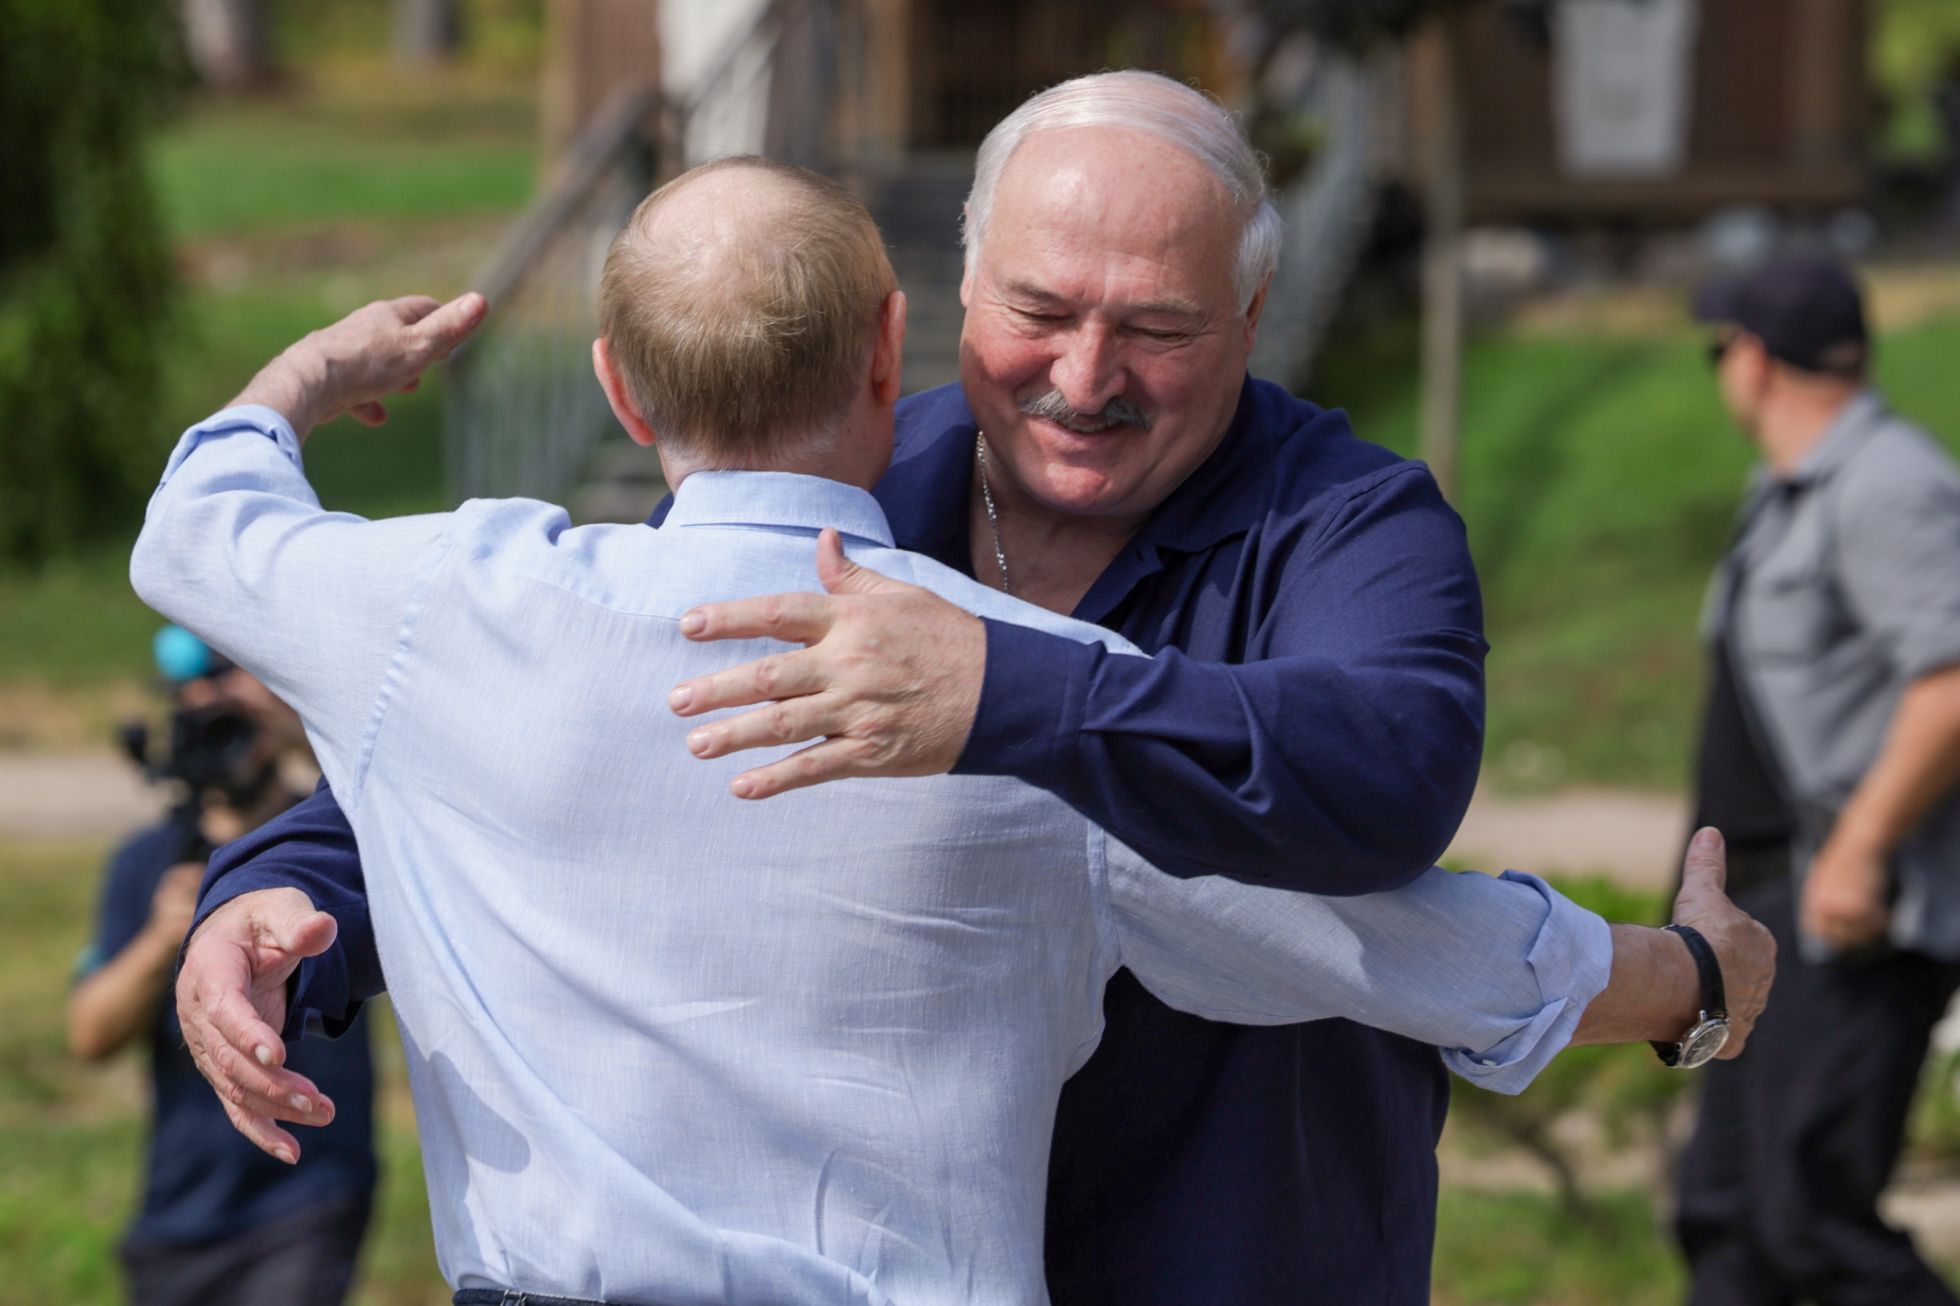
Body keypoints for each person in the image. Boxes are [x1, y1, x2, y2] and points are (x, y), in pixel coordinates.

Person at [177, 73, 1766, 1302]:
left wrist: (1016, 697)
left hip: (1232, 1256)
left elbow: (1382, 796)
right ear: (936, 307)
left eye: (1156, 327)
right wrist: (275, 893)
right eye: (1038, 313)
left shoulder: (1351, 521)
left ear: (1253, 317)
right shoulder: (847, 484)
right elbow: (587, 736)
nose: (1084, 376)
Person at [1675, 252, 1960, 1305]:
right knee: (1726, 1219)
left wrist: (1861, 847)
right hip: (1756, 912)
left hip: (1845, 914)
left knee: (1809, 1222)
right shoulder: (1788, 490)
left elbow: (1950, 678)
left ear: (1752, 361)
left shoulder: (1888, 484)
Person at [68, 638, 376, 1306]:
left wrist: (291, 714)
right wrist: (164, 938)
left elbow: (362, 774)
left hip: (310, 1192)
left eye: (237, 682)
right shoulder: (150, 861)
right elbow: (90, 1035)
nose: (219, 711)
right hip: (181, 1209)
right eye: (199, 697)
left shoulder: (335, 848)